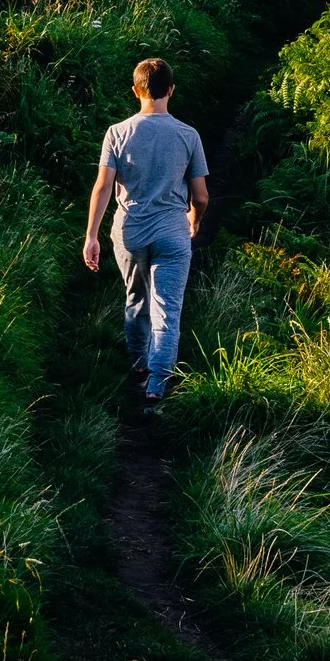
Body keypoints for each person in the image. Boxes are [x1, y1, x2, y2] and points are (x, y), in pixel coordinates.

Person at [81, 57, 209, 417]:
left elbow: (103, 187)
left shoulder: (117, 133)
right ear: (171, 90)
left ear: (136, 90)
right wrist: (194, 221)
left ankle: (139, 365)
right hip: (172, 231)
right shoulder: (188, 135)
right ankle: (157, 384)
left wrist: (91, 235)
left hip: (130, 231)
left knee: (136, 298)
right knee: (167, 309)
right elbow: (200, 196)